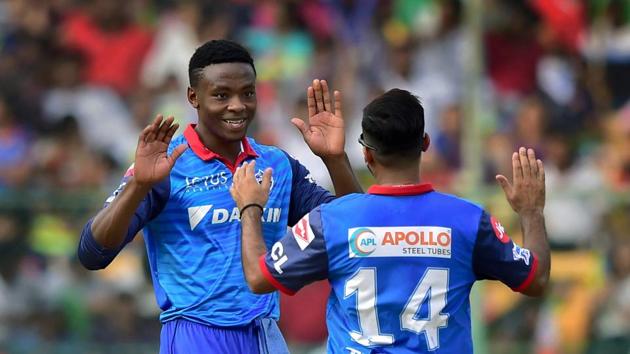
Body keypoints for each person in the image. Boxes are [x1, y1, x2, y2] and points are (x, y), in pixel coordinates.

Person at [77, 39, 362, 353]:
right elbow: (92, 254)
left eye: (248, 93)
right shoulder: (166, 165)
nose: (238, 105)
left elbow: (356, 232)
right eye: (222, 95)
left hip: (264, 335)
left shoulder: (276, 165)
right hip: (196, 335)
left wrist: (335, 159)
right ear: (193, 97)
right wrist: (138, 186)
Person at [230, 88, 551, 353]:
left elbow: (259, 278)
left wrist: (250, 208)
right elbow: (534, 279)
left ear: (367, 155)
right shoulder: (468, 220)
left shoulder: (329, 222)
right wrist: (531, 211)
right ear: (425, 143)